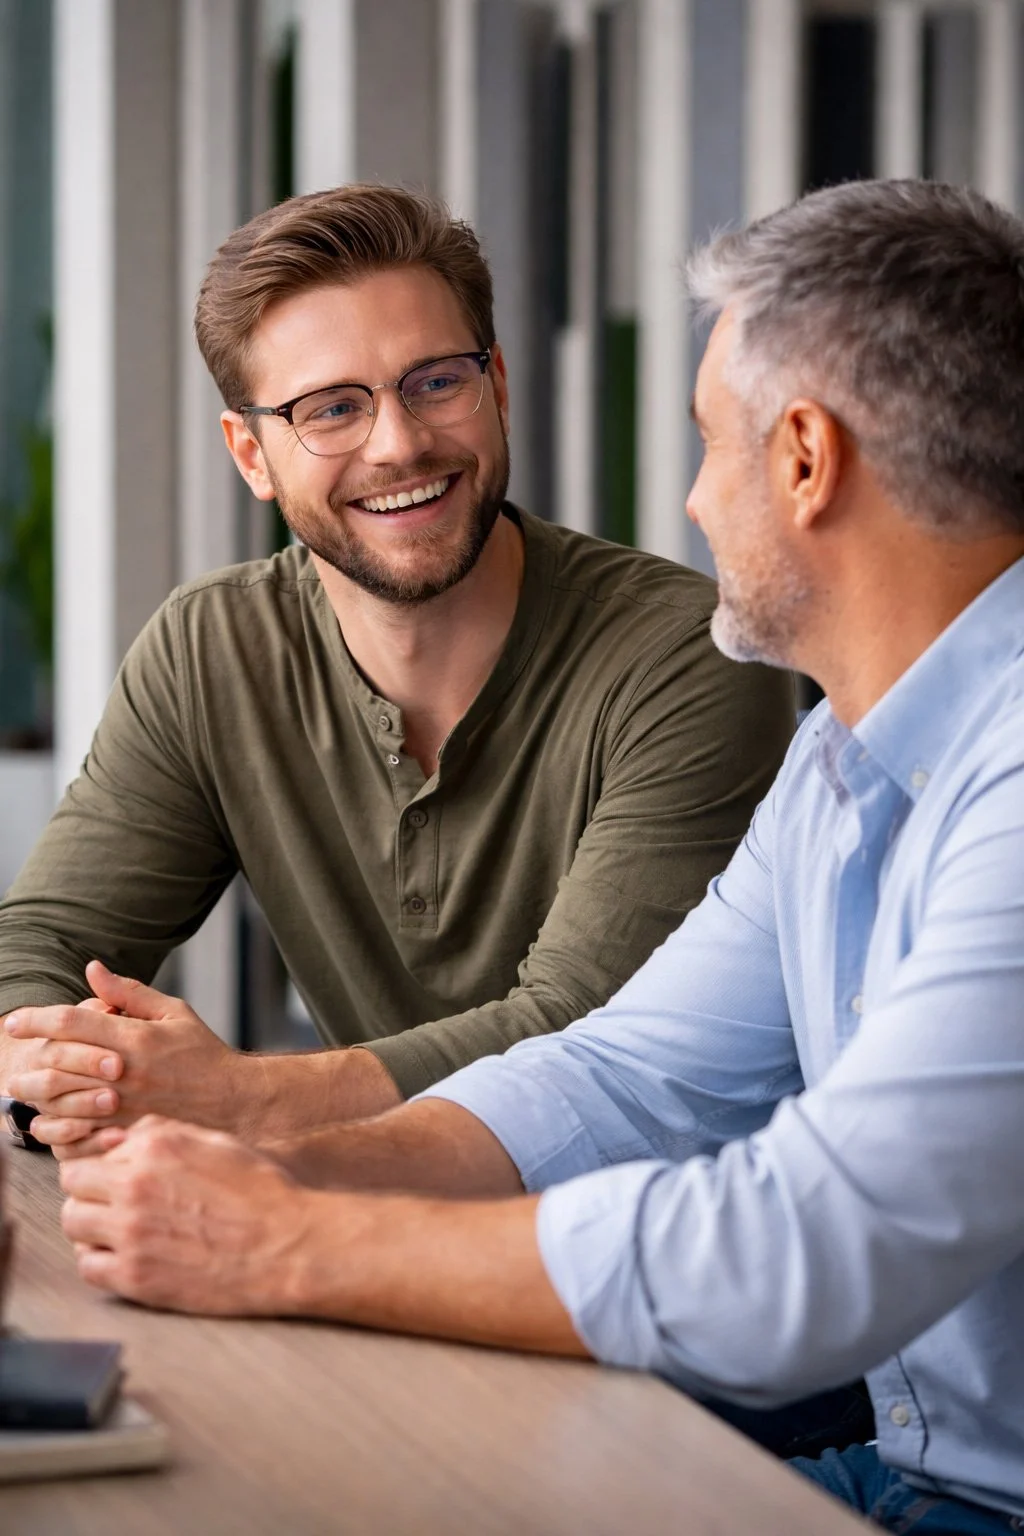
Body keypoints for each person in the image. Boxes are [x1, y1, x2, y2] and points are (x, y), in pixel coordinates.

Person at [43, 178, 1024, 1533]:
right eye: (331, 404)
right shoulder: (843, 765)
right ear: (253, 449)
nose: (687, 500)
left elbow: (808, 1248)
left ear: (804, 459)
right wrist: (270, 1166)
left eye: (706, 444)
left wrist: (285, 1233)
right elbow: (620, 1072)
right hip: (910, 1466)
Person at [0, 184, 792, 1155]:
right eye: (331, 408)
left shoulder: (686, 655)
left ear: (496, 384)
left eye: (436, 383)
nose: (399, 442)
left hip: (654, 1262)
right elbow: (37, 948)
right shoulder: (212, 652)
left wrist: (244, 1098)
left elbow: (586, 1036)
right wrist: (74, 1069)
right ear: (251, 453)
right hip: (364, 1238)